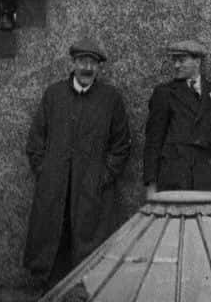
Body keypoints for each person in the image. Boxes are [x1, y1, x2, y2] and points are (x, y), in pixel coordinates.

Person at [23, 37, 131, 287]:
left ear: (99, 68)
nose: (87, 68)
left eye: (93, 63)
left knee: (90, 254)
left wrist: (102, 177)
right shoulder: (54, 94)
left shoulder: (110, 98)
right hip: (55, 189)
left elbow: (121, 145)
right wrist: (45, 171)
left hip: (91, 191)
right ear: (73, 63)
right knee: (52, 248)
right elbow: (35, 141)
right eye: (82, 61)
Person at [143, 40, 211, 197]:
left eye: (182, 60)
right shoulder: (164, 93)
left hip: (208, 177)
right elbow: (153, 140)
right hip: (176, 175)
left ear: (197, 62)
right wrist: (151, 183)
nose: (176, 65)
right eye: (174, 61)